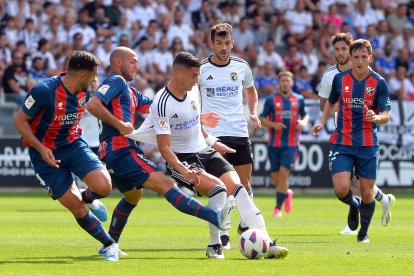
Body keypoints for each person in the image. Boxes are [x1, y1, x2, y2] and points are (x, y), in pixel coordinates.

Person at [128, 51, 289, 259]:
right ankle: (214, 245)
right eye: (194, 75)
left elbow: (195, 123)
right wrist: (183, 170)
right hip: (182, 158)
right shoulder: (162, 101)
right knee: (219, 190)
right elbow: (165, 148)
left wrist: (213, 142)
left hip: (204, 150)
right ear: (179, 74)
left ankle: (266, 241)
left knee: (239, 188)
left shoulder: (193, 90)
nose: (198, 79)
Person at [86, 46, 235, 257]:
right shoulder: (115, 81)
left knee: (133, 196)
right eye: (133, 61)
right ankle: (215, 217)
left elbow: (159, 108)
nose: (137, 65)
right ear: (118, 62)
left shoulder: (130, 92)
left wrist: (198, 117)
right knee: (167, 185)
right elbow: (93, 105)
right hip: (120, 149)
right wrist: (119, 124)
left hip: (113, 152)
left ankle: (109, 244)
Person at [13, 50, 119, 261]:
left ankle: (87, 197)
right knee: (76, 207)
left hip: (72, 144)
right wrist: (42, 149)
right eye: (93, 76)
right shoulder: (44, 91)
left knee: (104, 186)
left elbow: (96, 94)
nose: (94, 81)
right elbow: (19, 121)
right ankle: (109, 245)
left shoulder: (85, 90)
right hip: (44, 153)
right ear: (82, 76)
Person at [312, 39, 392, 243]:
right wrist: (322, 123)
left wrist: (376, 117)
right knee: (341, 188)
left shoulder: (379, 82)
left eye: (364, 57)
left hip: (367, 144)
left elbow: (386, 114)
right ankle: (353, 206)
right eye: (355, 57)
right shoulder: (340, 79)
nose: (359, 61)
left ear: (370, 58)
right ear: (351, 58)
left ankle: (363, 233)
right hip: (343, 141)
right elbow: (330, 103)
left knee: (366, 193)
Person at [198, 22, 261, 249]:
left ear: (232, 43)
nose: (224, 47)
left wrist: (253, 113)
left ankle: (247, 226)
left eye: (227, 43)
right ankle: (222, 231)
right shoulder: (202, 69)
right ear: (211, 44)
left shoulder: (242, 66)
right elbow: (192, 98)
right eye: (219, 43)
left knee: (244, 184)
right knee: (221, 186)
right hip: (214, 135)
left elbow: (251, 90)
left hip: (239, 131)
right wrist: (200, 119)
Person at [259, 71, 309, 217]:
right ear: (279, 83)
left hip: (292, 143)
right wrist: (273, 125)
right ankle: (286, 192)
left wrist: (304, 123)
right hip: (274, 143)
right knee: (276, 176)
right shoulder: (271, 100)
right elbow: (262, 119)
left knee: (283, 173)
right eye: (283, 81)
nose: (285, 83)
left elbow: (305, 115)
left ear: (292, 83)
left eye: (288, 81)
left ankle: (277, 208)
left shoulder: (298, 99)